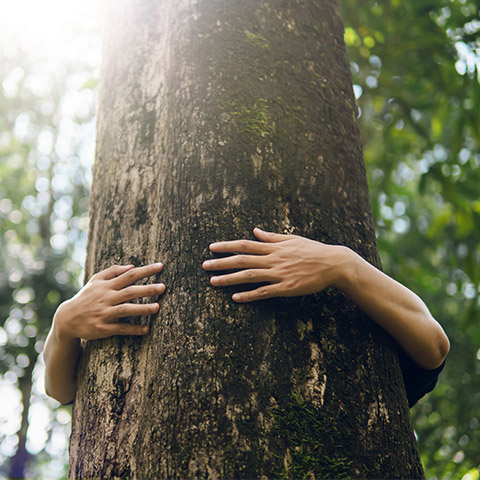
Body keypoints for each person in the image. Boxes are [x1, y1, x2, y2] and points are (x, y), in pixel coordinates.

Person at [43, 227, 449, 407]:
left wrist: (342, 264)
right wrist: (63, 325)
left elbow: (432, 347)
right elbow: (63, 391)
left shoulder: (360, 310)